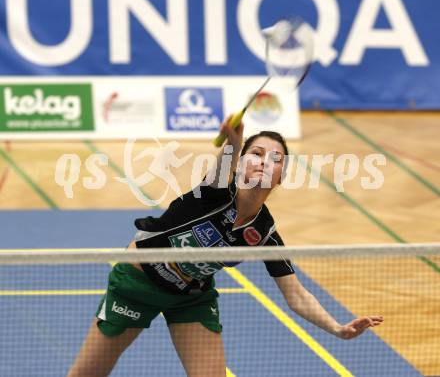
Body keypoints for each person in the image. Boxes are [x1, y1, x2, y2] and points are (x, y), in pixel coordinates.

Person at [67, 117, 383, 377]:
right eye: (256, 154)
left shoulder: (264, 233)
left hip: (190, 298)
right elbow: (223, 165)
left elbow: (296, 294)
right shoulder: (214, 194)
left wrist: (338, 329)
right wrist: (233, 141)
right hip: (137, 285)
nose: (264, 162)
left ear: (282, 176)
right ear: (241, 163)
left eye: (275, 160)